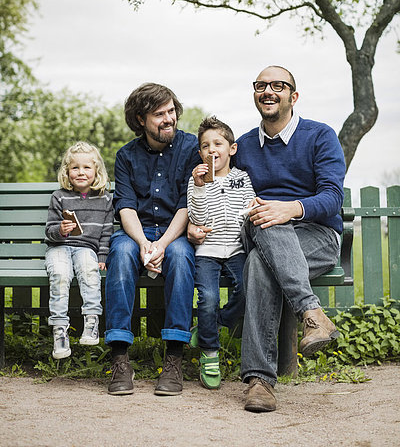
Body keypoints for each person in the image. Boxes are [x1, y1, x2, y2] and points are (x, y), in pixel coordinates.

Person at [188, 65, 346, 412]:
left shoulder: (320, 136)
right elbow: (217, 184)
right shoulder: (242, 145)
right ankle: (312, 314)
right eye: (261, 85)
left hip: (316, 236)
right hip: (260, 228)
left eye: (278, 85)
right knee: (261, 215)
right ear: (255, 94)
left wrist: (289, 209)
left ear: (294, 95)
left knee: (260, 260)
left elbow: (333, 197)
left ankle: (259, 380)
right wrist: (191, 221)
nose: (268, 91)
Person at [105, 82, 201, 397]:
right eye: (159, 114)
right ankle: (120, 358)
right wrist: (145, 243)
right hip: (137, 231)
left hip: (175, 230)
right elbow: (126, 206)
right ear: (141, 120)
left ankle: (173, 358)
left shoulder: (190, 148)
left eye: (171, 111)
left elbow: (189, 204)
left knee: (181, 256)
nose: (168, 118)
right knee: (120, 253)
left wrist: (161, 245)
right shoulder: (126, 156)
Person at [187, 116, 255, 390]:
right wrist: (201, 186)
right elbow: (197, 216)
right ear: (200, 152)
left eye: (218, 143)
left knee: (246, 288)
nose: (212, 149)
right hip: (208, 250)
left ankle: (210, 327)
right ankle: (210, 352)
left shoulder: (242, 178)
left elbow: (249, 208)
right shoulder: (197, 180)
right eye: (205, 145)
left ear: (232, 149)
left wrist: (251, 209)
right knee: (209, 298)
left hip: (236, 249)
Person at [45, 141, 114, 360]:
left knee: (89, 271)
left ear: (96, 171)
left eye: (87, 167)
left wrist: (102, 256)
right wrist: (61, 230)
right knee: (60, 275)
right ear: (67, 172)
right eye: (75, 168)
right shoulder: (59, 196)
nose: (81, 172)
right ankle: (59, 330)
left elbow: (106, 232)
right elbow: (49, 232)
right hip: (60, 248)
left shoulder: (104, 199)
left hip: (86, 249)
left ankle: (91, 321)